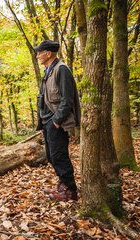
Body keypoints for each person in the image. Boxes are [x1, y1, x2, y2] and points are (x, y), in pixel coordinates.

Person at [35, 40, 81, 201]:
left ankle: (70, 190)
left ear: (48, 53)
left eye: (39, 52)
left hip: (57, 122)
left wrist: (56, 121)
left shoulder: (61, 69)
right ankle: (63, 184)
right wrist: (42, 124)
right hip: (48, 122)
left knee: (59, 155)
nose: (37, 55)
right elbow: (43, 99)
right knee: (51, 156)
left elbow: (67, 100)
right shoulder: (48, 70)